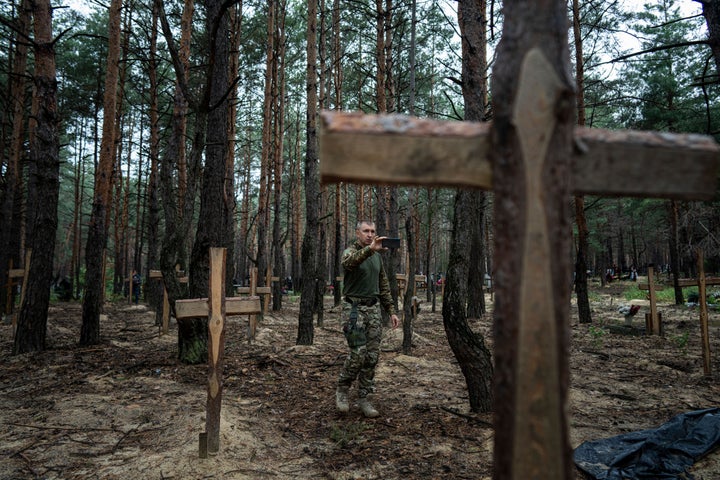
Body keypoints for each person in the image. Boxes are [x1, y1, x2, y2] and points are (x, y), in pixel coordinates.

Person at [335, 220, 399, 418]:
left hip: (373, 310)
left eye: (373, 231)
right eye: (366, 231)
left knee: (372, 357)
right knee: (357, 353)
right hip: (353, 310)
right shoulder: (350, 252)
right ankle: (342, 390)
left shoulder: (377, 257)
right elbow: (349, 263)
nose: (370, 234)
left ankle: (364, 397)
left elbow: (383, 285)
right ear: (357, 233)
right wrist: (370, 250)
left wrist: (391, 310)